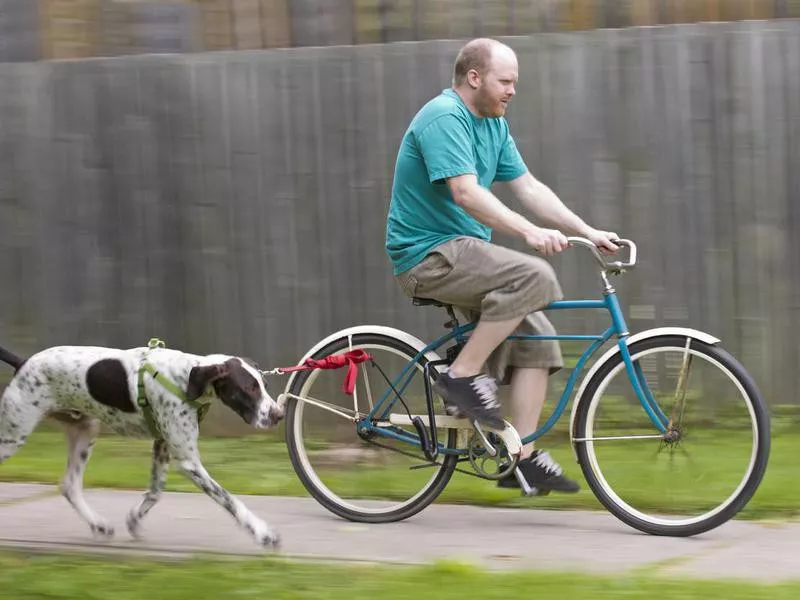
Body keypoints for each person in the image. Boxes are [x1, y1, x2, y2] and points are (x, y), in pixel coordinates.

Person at [384, 38, 620, 494]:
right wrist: (529, 233)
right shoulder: (444, 117)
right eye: (505, 81)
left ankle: (520, 458)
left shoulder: (494, 124)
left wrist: (587, 230)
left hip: (465, 253)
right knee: (534, 274)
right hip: (428, 255)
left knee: (539, 338)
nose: (513, 90)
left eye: (515, 82)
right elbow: (466, 193)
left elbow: (529, 188)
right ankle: (461, 376)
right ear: (475, 78)